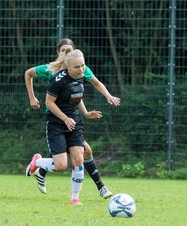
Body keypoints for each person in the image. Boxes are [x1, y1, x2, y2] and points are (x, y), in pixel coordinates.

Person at [25, 38, 120, 199]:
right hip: (56, 118)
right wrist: (32, 98)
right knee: (64, 161)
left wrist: (101, 101)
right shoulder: (51, 70)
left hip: (72, 120)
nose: (67, 53)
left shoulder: (80, 69)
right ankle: (40, 167)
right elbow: (29, 74)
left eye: (70, 50)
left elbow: (77, 95)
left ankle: (95, 189)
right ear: (59, 53)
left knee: (83, 153)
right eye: (64, 50)